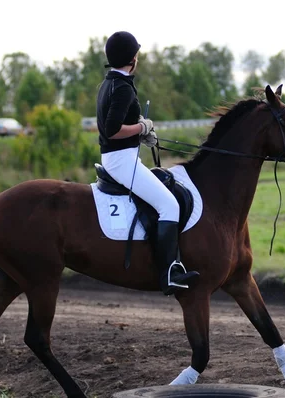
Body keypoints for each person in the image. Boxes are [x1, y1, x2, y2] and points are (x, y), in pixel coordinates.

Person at [95, 31, 199, 296]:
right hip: (121, 160)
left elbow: (119, 119)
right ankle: (169, 273)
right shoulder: (123, 88)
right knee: (169, 205)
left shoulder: (110, 82)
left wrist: (140, 128)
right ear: (132, 59)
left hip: (121, 156)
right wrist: (142, 126)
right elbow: (112, 130)